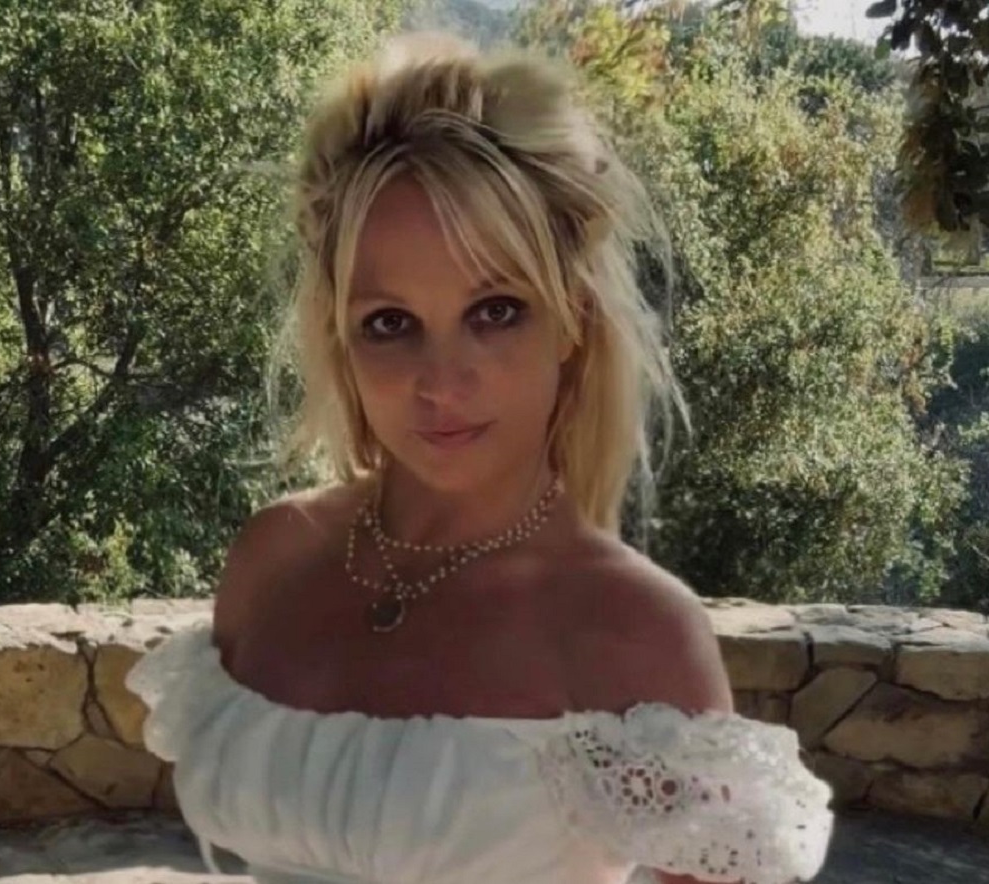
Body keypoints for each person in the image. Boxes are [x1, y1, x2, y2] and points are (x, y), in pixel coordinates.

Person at [126, 31, 834, 884]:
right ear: (340, 338)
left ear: (572, 320)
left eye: (495, 311)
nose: (442, 381)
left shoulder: (633, 634)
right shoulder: (271, 562)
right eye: (390, 323)